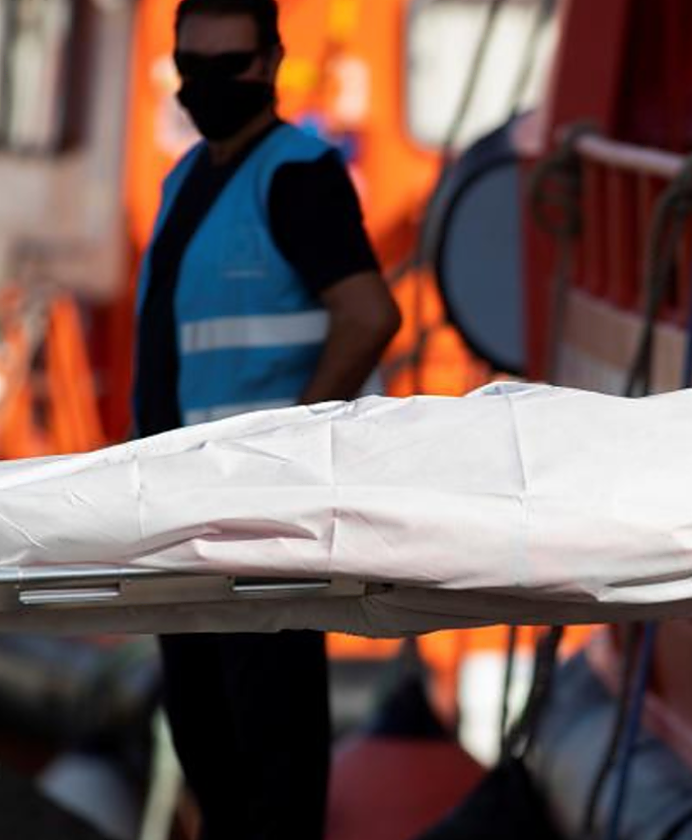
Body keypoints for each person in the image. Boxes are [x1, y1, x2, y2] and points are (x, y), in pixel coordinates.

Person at [132, 1, 400, 837]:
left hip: (260, 525)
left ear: (275, 60)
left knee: (270, 762)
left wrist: (287, 448)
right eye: (194, 65)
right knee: (210, 748)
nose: (210, 84)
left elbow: (368, 315)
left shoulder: (297, 175)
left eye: (231, 65)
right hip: (188, 517)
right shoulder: (187, 177)